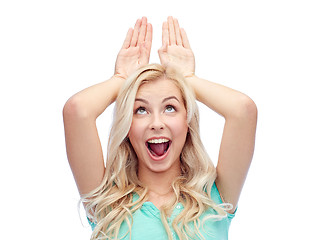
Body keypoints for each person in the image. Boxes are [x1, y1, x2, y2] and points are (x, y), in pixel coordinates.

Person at [63, 16, 257, 240]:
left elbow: (243, 110)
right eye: (141, 110)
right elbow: (77, 111)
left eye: (170, 108)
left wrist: (187, 79)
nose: (156, 123)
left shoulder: (215, 197)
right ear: (127, 126)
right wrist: (122, 79)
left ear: (188, 122)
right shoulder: (108, 203)